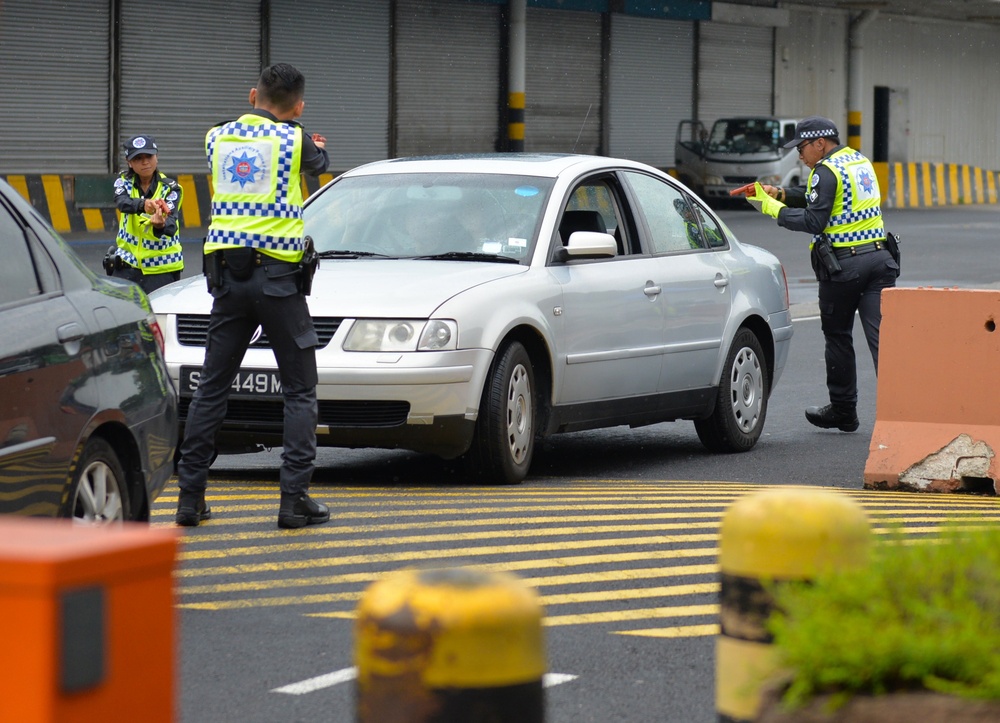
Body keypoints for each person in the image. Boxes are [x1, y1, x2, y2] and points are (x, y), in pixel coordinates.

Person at [175, 63, 330, 529]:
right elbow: (316, 162)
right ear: (298, 107)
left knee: (211, 388)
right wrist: (309, 140)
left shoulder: (215, 137)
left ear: (251, 95)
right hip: (279, 281)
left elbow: (246, 150)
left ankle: (190, 498)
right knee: (300, 390)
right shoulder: (296, 139)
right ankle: (293, 500)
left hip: (228, 281)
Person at [745, 116, 898, 432]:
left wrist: (769, 207)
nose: (800, 155)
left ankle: (844, 410)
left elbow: (815, 220)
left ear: (820, 143)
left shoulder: (824, 171)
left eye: (802, 148)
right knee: (884, 341)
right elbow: (825, 197)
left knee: (838, 336)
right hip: (880, 261)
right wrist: (782, 193)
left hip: (845, 269)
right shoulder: (856, 160)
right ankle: (903, 416)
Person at [109, 135, 184, 293]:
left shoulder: (171, 188)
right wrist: (143, 204)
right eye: (138, 158)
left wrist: (160, 225)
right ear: (129, 162)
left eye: (149, 156)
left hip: (161, 269)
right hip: (127, 266)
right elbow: (122, 202)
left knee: (159, 316)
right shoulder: (123, 181)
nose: (145, 162)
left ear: (156, 157)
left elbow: (171, 226)